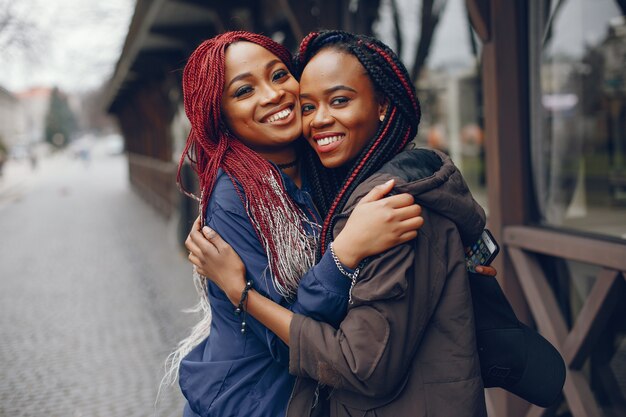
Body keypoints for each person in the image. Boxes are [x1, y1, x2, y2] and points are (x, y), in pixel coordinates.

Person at [187, 31, 494, 417]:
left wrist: (444, 259)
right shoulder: (235, 198)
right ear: (221, 115)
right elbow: (289, 342)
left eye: (280, 75)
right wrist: (343, 254)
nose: (272, 95)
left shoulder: (325, 168)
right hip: (260, 399)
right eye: (244, 91)